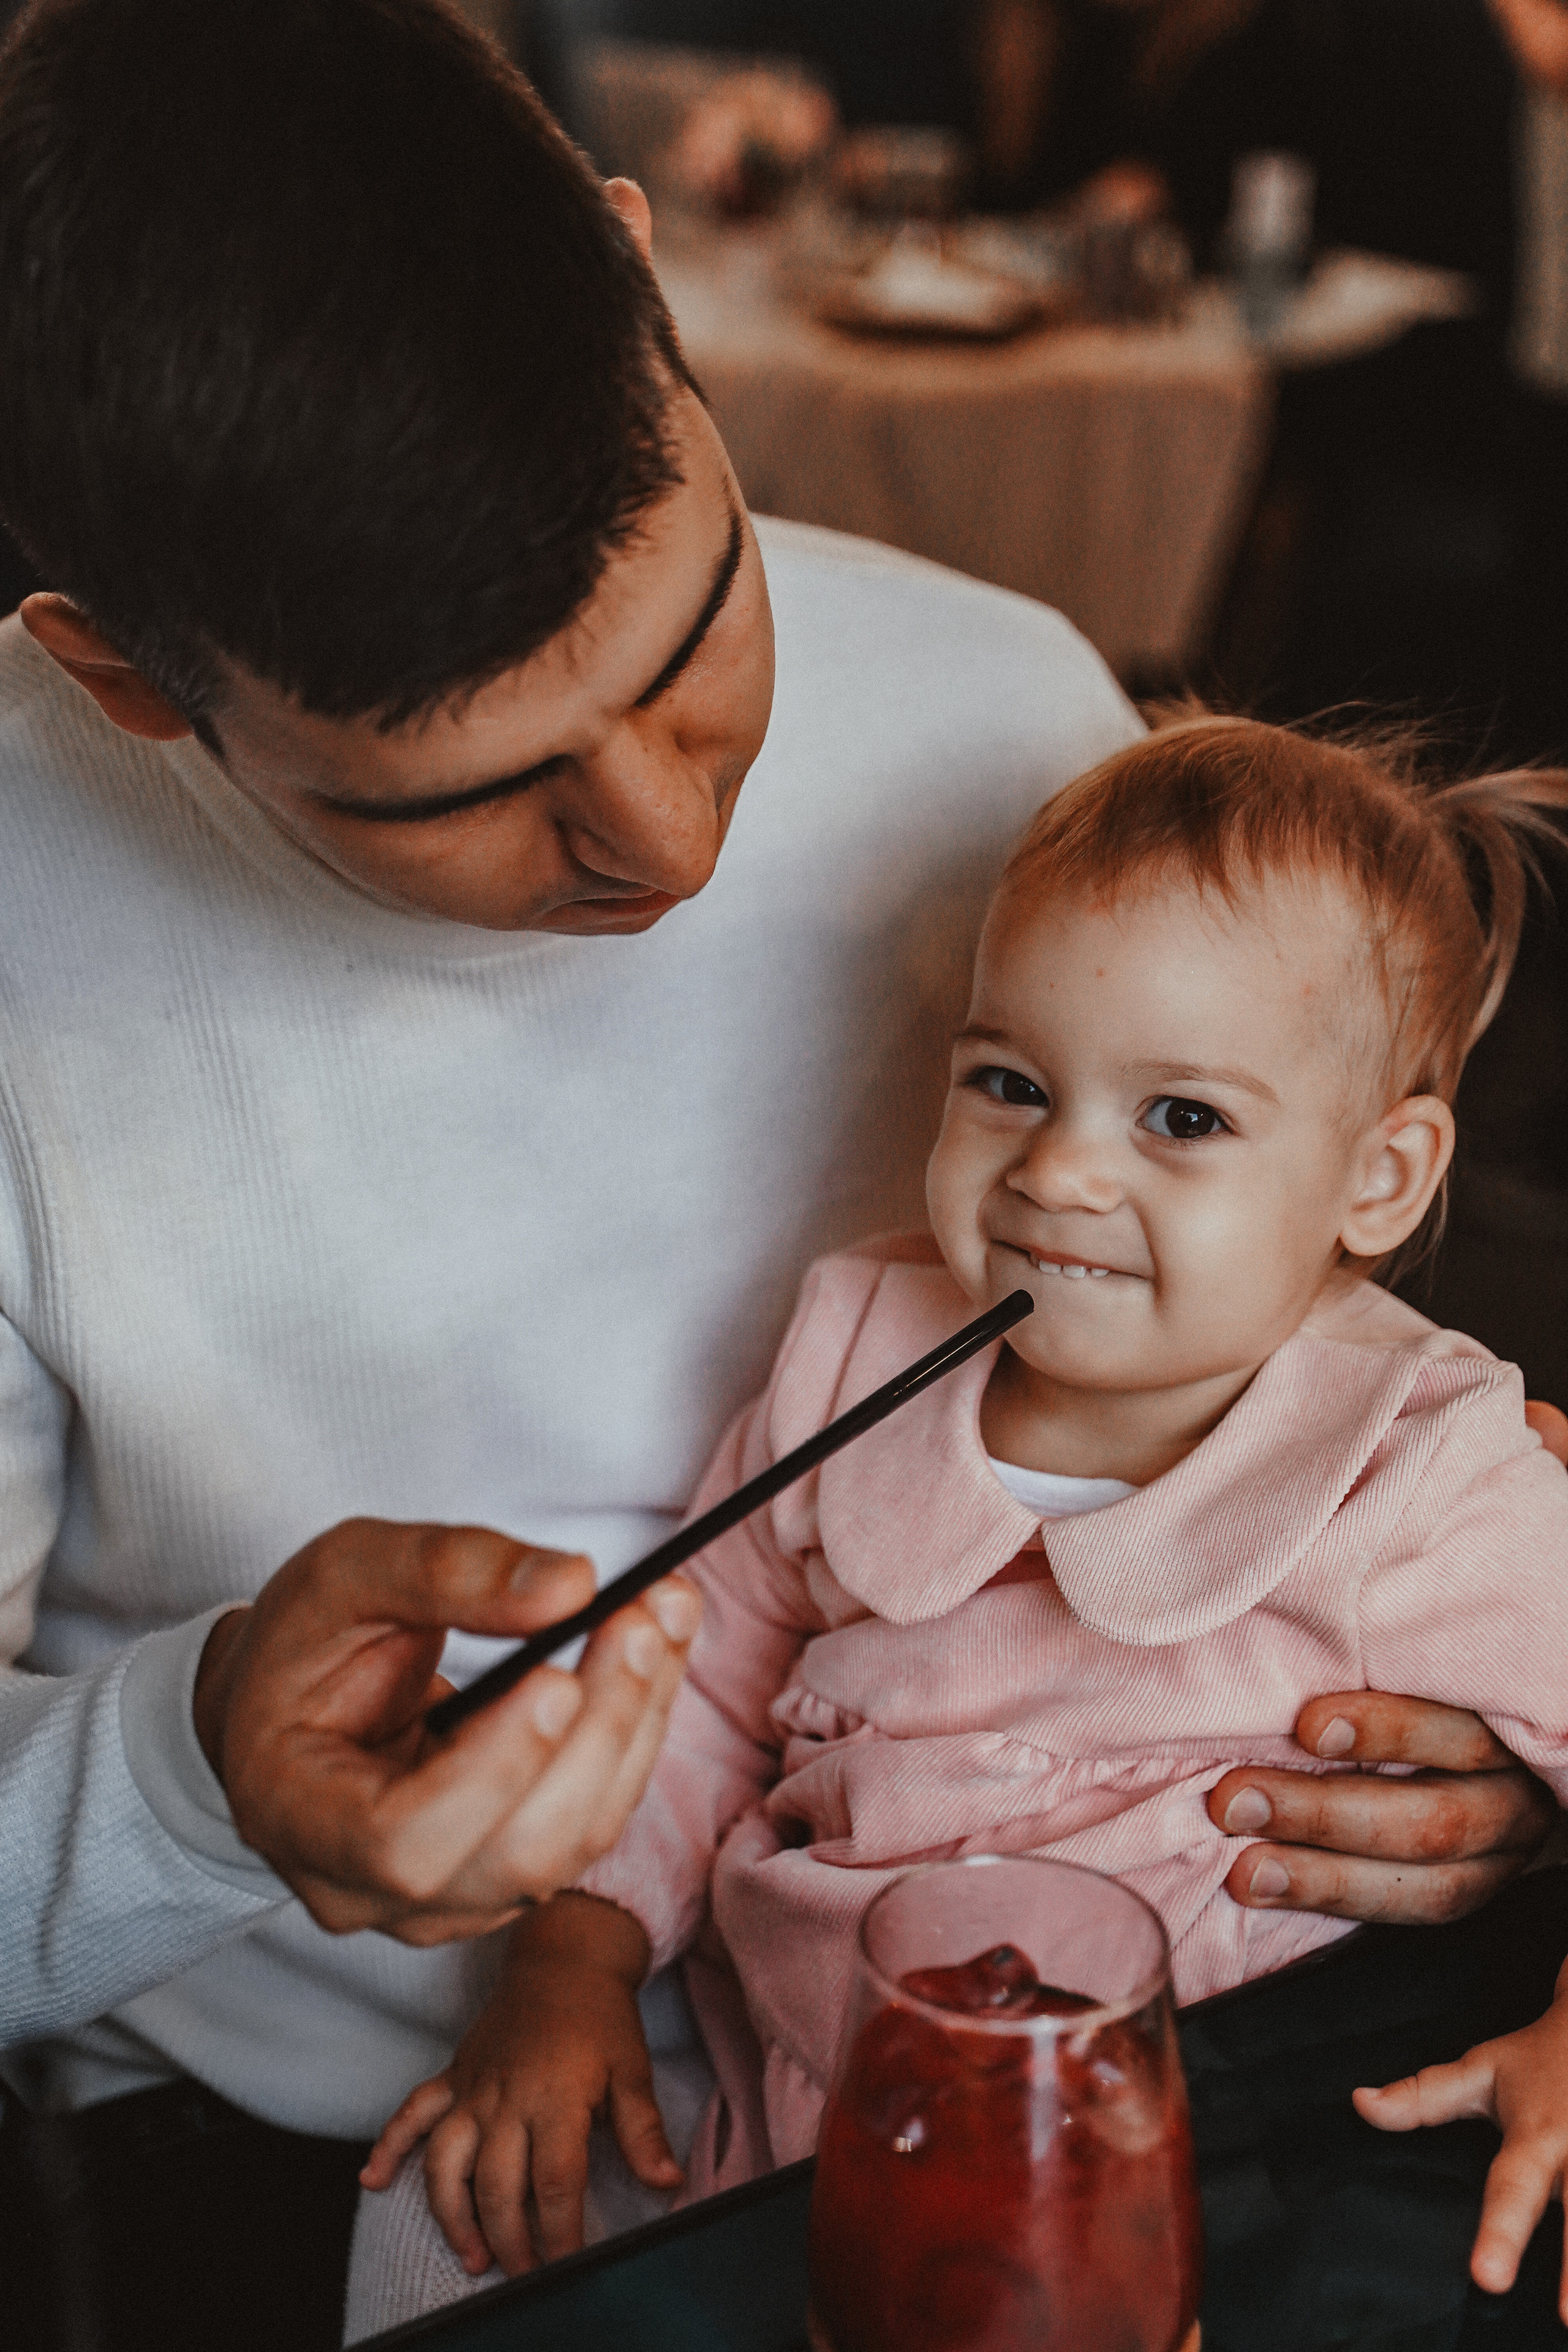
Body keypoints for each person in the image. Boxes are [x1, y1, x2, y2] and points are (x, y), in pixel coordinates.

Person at [0, 4, 1554, 2346]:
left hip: (1158, 2070)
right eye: (465, 793)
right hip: (371, 2137)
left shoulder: (1015, 712)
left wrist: (1505, 1784)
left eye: (695, 634)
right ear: (128, 679)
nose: (666, 839)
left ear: (650, 286)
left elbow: (1303, 1265)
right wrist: (192, 1774)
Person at [353, 711, 1568, 2335]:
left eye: (1181, 1119)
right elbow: (693, 1677)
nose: (1055, 1171)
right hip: (794, 2124)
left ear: (1382, 1179)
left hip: (1185, 2181)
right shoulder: (858, 1346)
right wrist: (573, 1958)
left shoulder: (1415, 1464)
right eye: (1010, 1084)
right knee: (436, 2219)